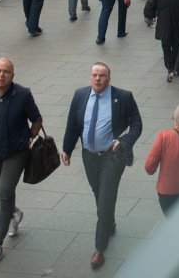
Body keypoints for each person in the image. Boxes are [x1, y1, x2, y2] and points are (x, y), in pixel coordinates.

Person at [61, 62, 143, 270]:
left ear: (109, 78)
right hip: (89, 156)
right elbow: (72, 124)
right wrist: (67, 149)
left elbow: (137, 124)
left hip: (112, 157)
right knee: (98, 192)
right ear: (90, 77)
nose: (98, 79)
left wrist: (124, 142)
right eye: (94, 75)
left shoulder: (123, 97)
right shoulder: (80, 95)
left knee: (106, 198)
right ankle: (109, 221)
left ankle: (99, 248)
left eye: (102, 75)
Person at [0, 57, 44, 263]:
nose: (2, 75)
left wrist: (29, 137)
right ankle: (14, 213)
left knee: (4, 191)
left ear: (13, 75)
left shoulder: (22, 95)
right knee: (4, 193)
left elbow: (37, 119)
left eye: (6, 71)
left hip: (17, 152)